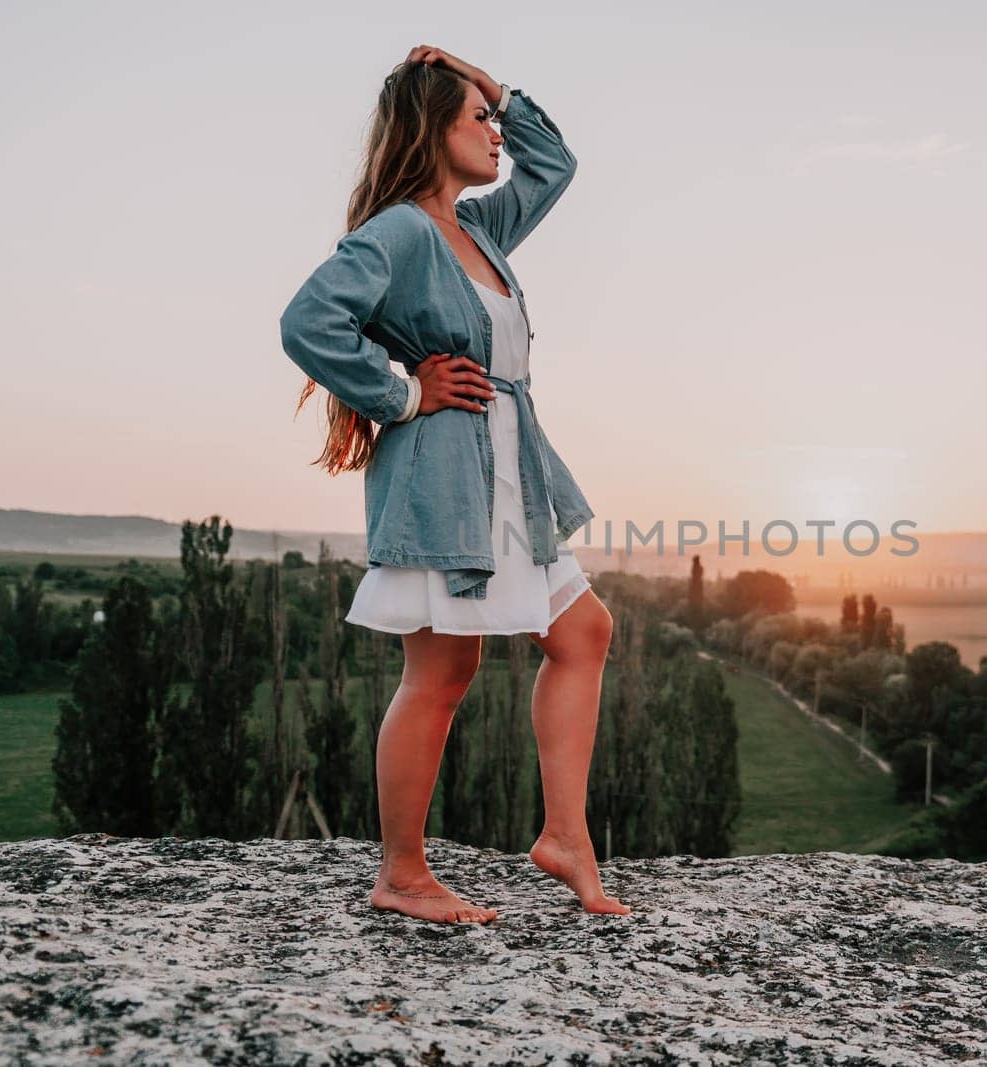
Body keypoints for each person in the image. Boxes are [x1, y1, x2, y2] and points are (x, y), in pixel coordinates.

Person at [279, 44, 629, 923]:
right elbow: (308, 320)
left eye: (491, 115)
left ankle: (564, 836)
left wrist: (487, 79)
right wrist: (401, 392)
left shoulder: (477, 228)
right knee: (439, 671)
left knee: (582, 631)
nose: (494, 133)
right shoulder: (399, 229)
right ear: (432, 129)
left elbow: (558, 163)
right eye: (476, 118)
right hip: (444, 478)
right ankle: (402, 873)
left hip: (513, 476)